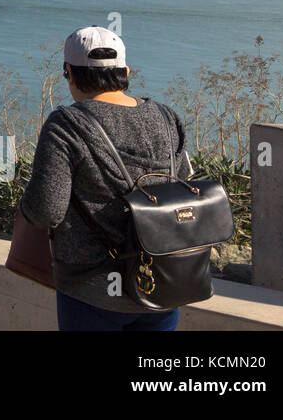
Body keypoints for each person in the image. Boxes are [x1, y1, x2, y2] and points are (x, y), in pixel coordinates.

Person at [20, 26, 191, 331]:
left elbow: (46, 209)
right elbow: (183, 187)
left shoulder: (66, 125)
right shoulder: (167, 117)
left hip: (93, 287)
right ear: (126, 71)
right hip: (164, 281)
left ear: (69, 72)